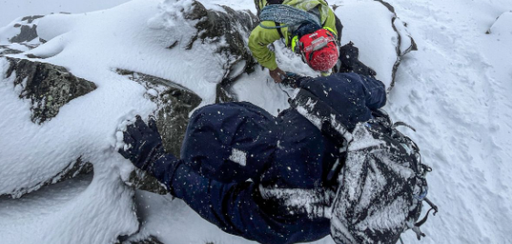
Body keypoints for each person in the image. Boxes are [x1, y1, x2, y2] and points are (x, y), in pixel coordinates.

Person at [119, 72, 388, 244]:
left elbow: (217, 201)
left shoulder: (284, 203)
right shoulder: (334, 92)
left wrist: (154, 159)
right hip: (366, 175)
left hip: (320, 213)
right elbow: (377, 91)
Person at [249, 0, 343, 83]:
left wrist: (326, 72)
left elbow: (322, 48)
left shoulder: (325, 14)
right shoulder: (276, 24)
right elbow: (255, 42)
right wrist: (272, 67)